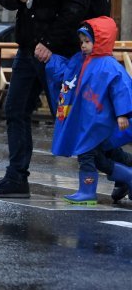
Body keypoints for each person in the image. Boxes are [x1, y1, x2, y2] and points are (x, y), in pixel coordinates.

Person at [0, 0, 94, 198]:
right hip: (28, 51)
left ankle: (118, 168)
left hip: (58, 56)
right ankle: (16, 178)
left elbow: (77, 5)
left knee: (68, 117)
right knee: (15, 109)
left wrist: (50, 42)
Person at [44, 17, 132, 204]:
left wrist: (123, 113)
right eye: (82, 42)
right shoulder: (82, 60)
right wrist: (51, 60)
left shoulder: (109, 66)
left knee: (87, 155)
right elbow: (67, 74)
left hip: (99, 122)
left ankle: (88, 190)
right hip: (88, 122)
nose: (83, 46)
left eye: (88, 41)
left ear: (100, 40)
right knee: (99, 156)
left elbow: (122, 89)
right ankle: (126, 177)